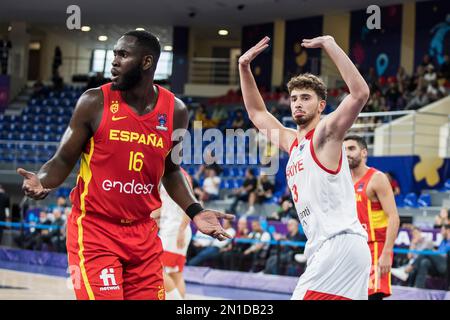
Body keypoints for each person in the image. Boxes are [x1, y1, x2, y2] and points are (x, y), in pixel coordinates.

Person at [16, 30, 233, 300]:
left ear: (146, 62)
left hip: (143, 234)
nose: (114, 61)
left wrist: (196, 211)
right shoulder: (94, 101)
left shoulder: (175, 111)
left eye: (123, 54)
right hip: (95, 230)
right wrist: (43, 179)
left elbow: (172, 170)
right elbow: (62, 159)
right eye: (114, 54)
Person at [239, 35, 371, 300]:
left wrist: (330, 44)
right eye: (294, 98)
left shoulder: (325, 135)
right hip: (330, 247)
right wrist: (243, 67)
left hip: (339, 244)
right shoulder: (292, 142)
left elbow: (360, 93)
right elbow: (257, 113)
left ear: (321, 105)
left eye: (306, 98)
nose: (298, 103)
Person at [344, 135, 400, 300]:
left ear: (364, 153)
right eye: (344, 149)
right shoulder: (343, 180)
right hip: (353, 247)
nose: (347, 153)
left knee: (372, 297)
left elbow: (394, 217)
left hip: (376, 248)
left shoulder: (377, 178)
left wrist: (386, 252)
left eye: (351, 149)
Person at [151, 168, 192, 300]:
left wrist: (182, 229)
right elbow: (163, 207)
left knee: (157, 268)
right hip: (170, 228)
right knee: (175, 273)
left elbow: (191, 204)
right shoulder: (163, 176)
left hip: (176, 229)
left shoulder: (180, 175)